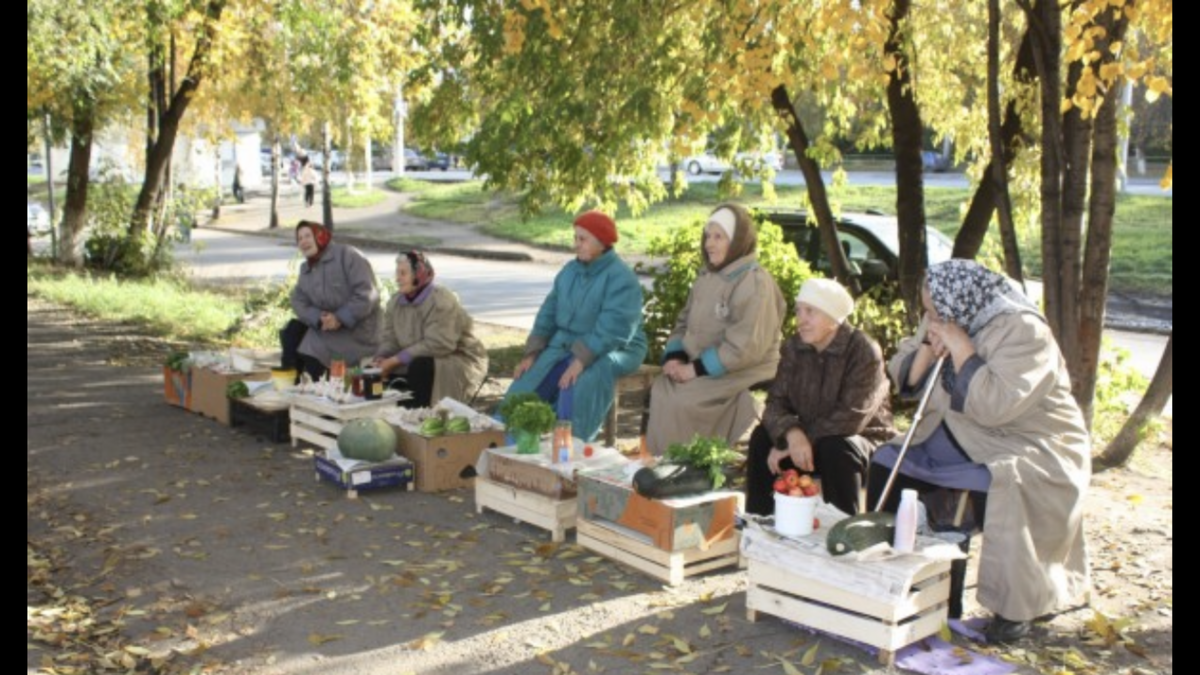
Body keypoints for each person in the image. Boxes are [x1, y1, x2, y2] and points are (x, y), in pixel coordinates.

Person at [867, 259, 1090, 644]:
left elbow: (996, 406)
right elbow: (903, 378)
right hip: (958, 430)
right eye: (928, 312)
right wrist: (927, 348)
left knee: (990, 484)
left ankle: (1011, 605)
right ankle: (889, 581)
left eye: (935, 313)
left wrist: (963, 349)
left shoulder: (1024, 331)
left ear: (960, 299)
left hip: (1028, 441)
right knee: (888, 461)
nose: (930, 318)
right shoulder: (947, 310)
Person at [745, 278, 895, 517]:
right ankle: (760, 522)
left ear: (833, 319)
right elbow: (775, 403)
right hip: (808, 438)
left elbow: (851, 418)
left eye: (810, 312)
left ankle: (843, 530)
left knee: (837, 446)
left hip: (862, 441)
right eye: (798, 311)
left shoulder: (864, 351)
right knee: (762, 437)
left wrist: (802, 440)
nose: (800, 320)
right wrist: (792, 435)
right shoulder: (794, 348)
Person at [644, 203, 786, 455]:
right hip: (703, 364)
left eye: (718, 236)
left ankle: (689, 469)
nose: (709, 243)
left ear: (738, 241)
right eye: (708, 236)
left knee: (684, 402)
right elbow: (683, 321)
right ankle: (662, 465)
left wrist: (695, 369)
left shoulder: (754, 282)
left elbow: (746, 347)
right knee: (661, 389)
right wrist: (676, 357)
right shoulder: (708, 276)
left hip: (743, 368)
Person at [501, 211, 647, 441]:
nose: (576, 245)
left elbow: (615, 328)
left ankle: (568, 445)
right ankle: (510, 445)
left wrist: (580, 361)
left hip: (615, 346)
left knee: (577, 387)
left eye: (582, 239)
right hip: (567, 342)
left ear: (602, 243)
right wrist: (532, 353)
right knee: (526, 386)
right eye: (575, 238)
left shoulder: (621, 278)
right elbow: (548, 313)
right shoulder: (570, 271)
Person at [371, 250, 488, 409]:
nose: (397, 279)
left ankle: (417, 417)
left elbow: (439, 344)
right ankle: (385, 418)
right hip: (415, 357)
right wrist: (382, 357)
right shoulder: (396, 302)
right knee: (371, 374)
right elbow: (390, 338)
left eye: (403, 273)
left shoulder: (440, 300)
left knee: (421, 368)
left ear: (418, 275)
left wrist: (395, 360)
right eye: (397, 273)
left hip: (456, 359)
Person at [281, 220, 382, 381]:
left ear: (320, 236)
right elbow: (298, 301)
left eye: (308, 235)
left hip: (357, 332)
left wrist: (339, 318)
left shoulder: (348, 255)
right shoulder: (306, 269)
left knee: (311, 354)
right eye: (299, 238)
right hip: (327, 331)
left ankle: (320, 393)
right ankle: (290, 390)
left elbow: (367, 294)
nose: (303, 241)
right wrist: (319, 318)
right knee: (293, 333)